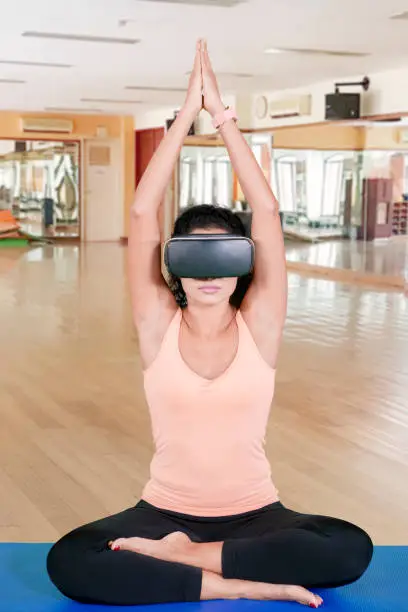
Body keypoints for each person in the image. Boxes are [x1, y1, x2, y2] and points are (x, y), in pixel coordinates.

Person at [46, 40, 373, 609]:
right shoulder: (156, 325)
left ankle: (186, 561)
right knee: (68, 561)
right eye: (193, 258)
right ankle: (238, 582)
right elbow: (142, 214)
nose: (208, 273)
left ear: (241, 264)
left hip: (256, 515)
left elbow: (267, 213)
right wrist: (182, 116)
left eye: (222, 256)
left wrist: (220, 117)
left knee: (349, 550)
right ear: (174, 266)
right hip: (163, 513)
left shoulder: (260, 327)